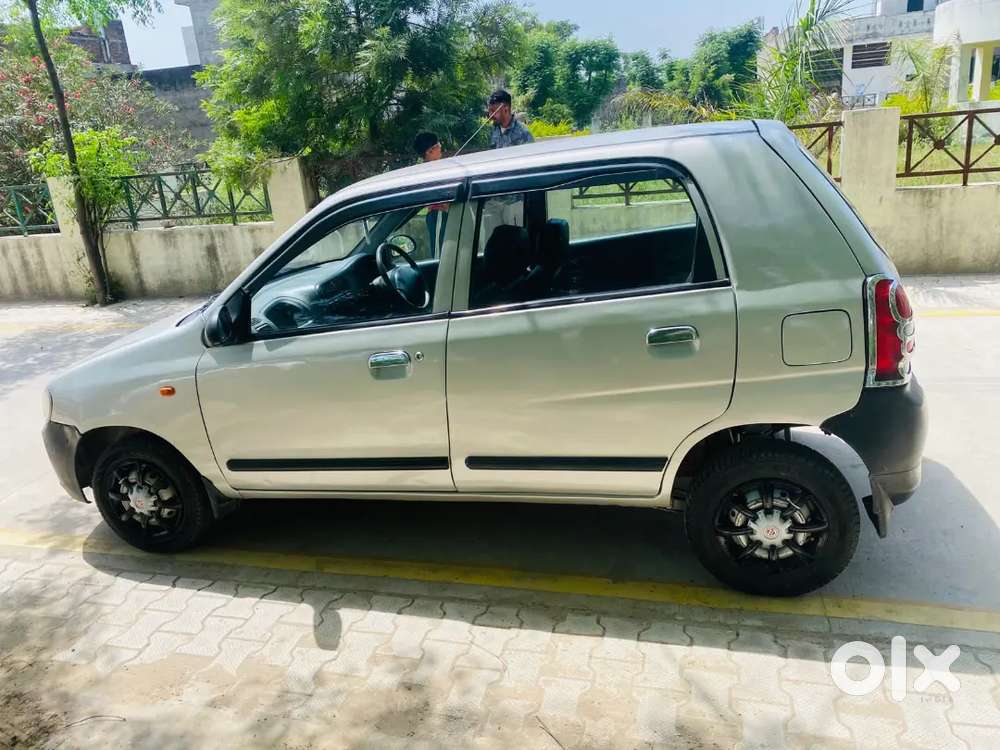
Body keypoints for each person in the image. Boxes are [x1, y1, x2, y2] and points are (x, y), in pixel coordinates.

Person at [413, 131, 448, 257]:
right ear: (429, 151)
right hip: (438, 214)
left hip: (443, 215)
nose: (440, 147)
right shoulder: (428, 171)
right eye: (438, 145)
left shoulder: (438, 167)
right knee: (440, 255)